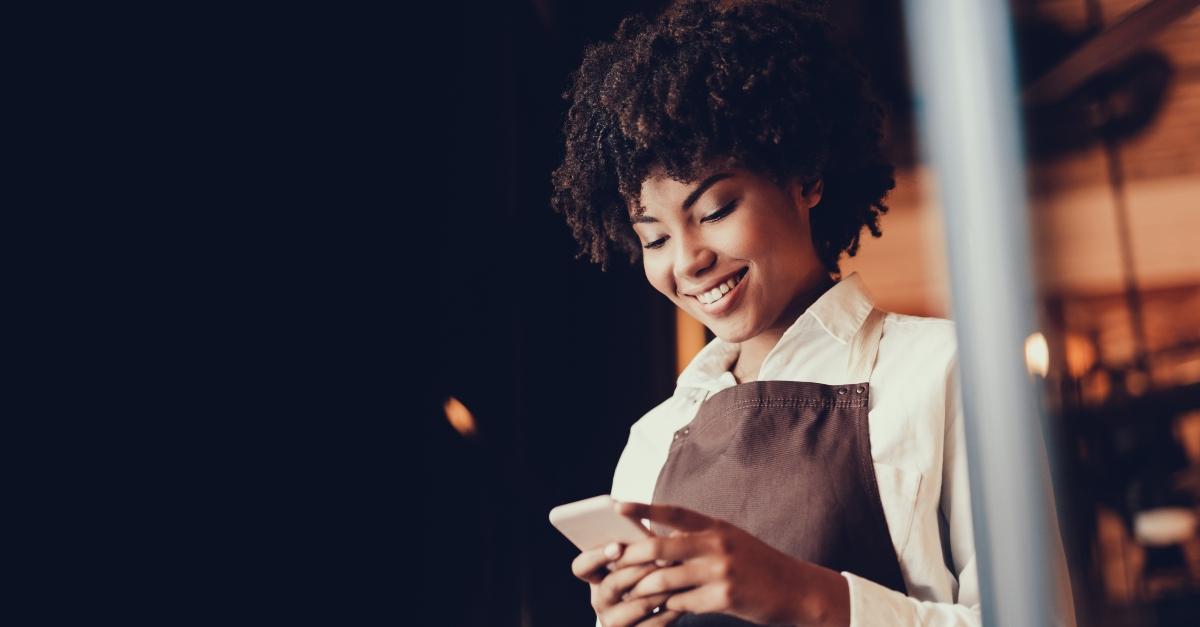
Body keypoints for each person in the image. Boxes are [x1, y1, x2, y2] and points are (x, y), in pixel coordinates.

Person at [549, 1, 1074, 626]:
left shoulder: (947, 369)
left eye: (715, 211)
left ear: (805, 178)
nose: (687, 261)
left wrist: (806, 596)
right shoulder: (652, 441)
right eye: (654, 238)